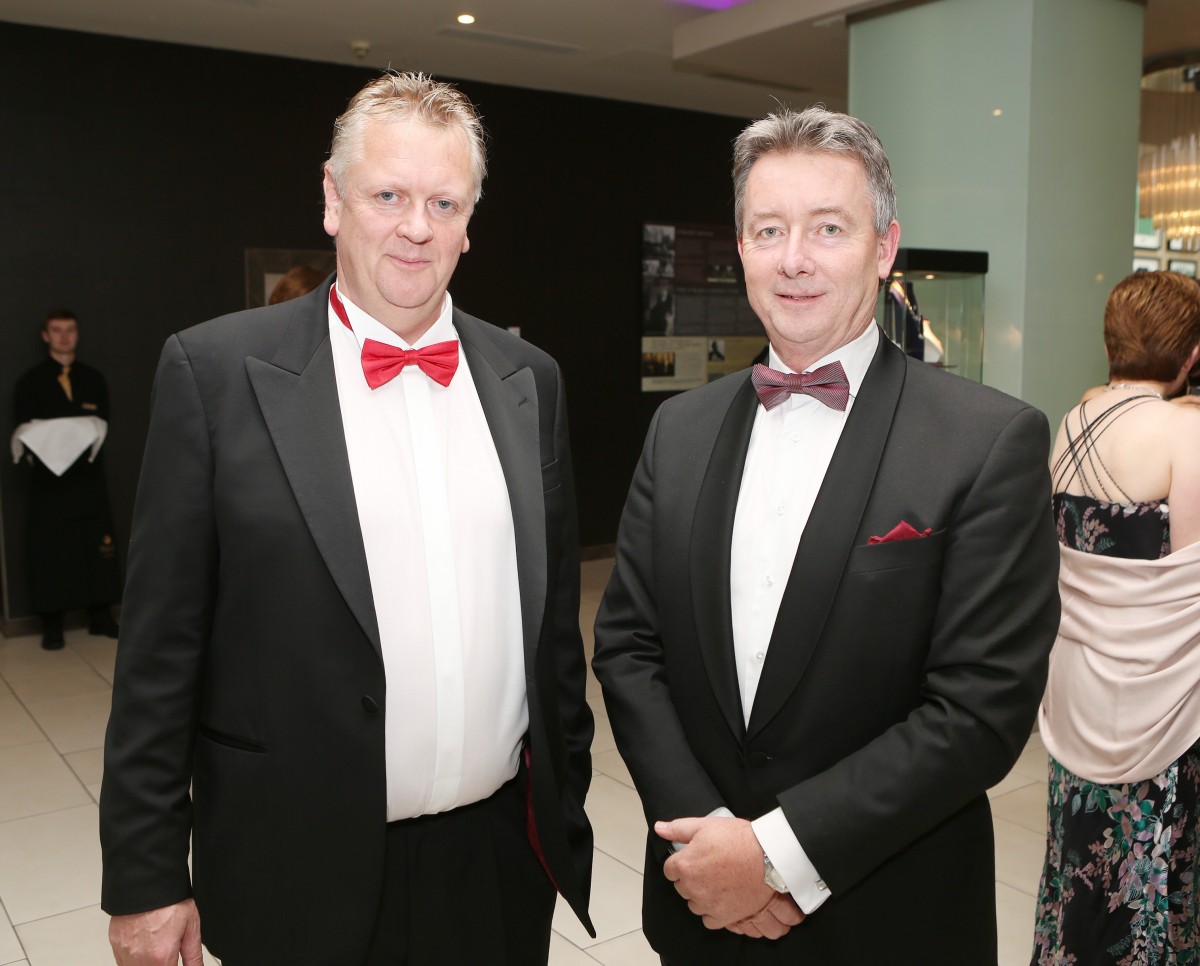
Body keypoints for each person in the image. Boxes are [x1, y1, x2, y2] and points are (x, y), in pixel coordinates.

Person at [100, 71, 594, 965]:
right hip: (295, 865)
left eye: (444, 202)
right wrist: (145, 876)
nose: (417, 228)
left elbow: (555, 633)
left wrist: (562, 810)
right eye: (388, 196)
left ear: (470, 221)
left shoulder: (531, 380)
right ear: (333, 200)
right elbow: (158, 653)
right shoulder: (214, 374)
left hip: (494, 865)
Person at [591, 106, 1061, 965]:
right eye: (769, 229)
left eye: (829, 228)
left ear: (884, 249)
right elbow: (627, 646)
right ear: (742, 248)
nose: (794, 258)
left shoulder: (988, 441)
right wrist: (714, 845)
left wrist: (775, 856)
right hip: (702, 906)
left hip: (889, 918)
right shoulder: (679, 429)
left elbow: (980, 709)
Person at [1032, 270, 1200, 964]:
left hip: (1079, 686)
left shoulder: (1077, 417)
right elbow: (1189, 583)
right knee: (1155, 865)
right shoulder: (1184, 432)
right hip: (1163, 701)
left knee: (1078, 854)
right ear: (1191, 352)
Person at [13, 308, 121, 649]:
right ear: (45, 336)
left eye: (70, 330)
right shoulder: (30, 382)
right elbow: (24, 428)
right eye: (57, 330)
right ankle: (52, 624)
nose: (64, 336)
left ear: (77, 334)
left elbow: (102, 424)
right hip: (49, 484)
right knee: (49, 552)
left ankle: (101, 616)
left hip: (88, 481)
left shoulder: (93, 379)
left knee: (96, 546)